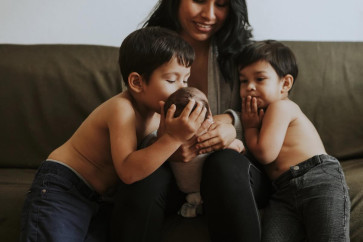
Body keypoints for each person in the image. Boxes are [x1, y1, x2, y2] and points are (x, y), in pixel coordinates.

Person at [19, 26, 208, 242]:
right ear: (137, 82)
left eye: (185, 80)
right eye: (171, 80)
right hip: (64, 187)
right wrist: (172, 139)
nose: (181, 89)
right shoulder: (122, 109)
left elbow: (156, 156)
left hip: (101, 200)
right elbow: (128, 170)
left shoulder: (159, 117)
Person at [112, 1, 272, 241]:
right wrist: (165, 146)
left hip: (234, 173)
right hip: (172, 174)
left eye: (220, 4)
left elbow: (273, 118)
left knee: (224, 162)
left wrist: (231, 125)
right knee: (148, 175)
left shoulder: (246, 55)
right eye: (198, 0)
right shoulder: (146, 50)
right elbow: (133, 123)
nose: (209, 15)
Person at [238, 40, 350, 241]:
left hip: (318, 179)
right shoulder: (266, 113)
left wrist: (250, 127)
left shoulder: (281, 107)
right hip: (283, 192)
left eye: (260, 79)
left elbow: (265, 153)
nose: (250, 87)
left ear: (285, 83)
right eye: (243, 81)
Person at [164, 87, 244, 218]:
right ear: (208, 118)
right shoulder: (208, 138)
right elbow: (237, 146)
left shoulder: (166, 138)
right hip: (207, 186)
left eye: (185, 80)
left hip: (183, 188)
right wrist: (239, 144)